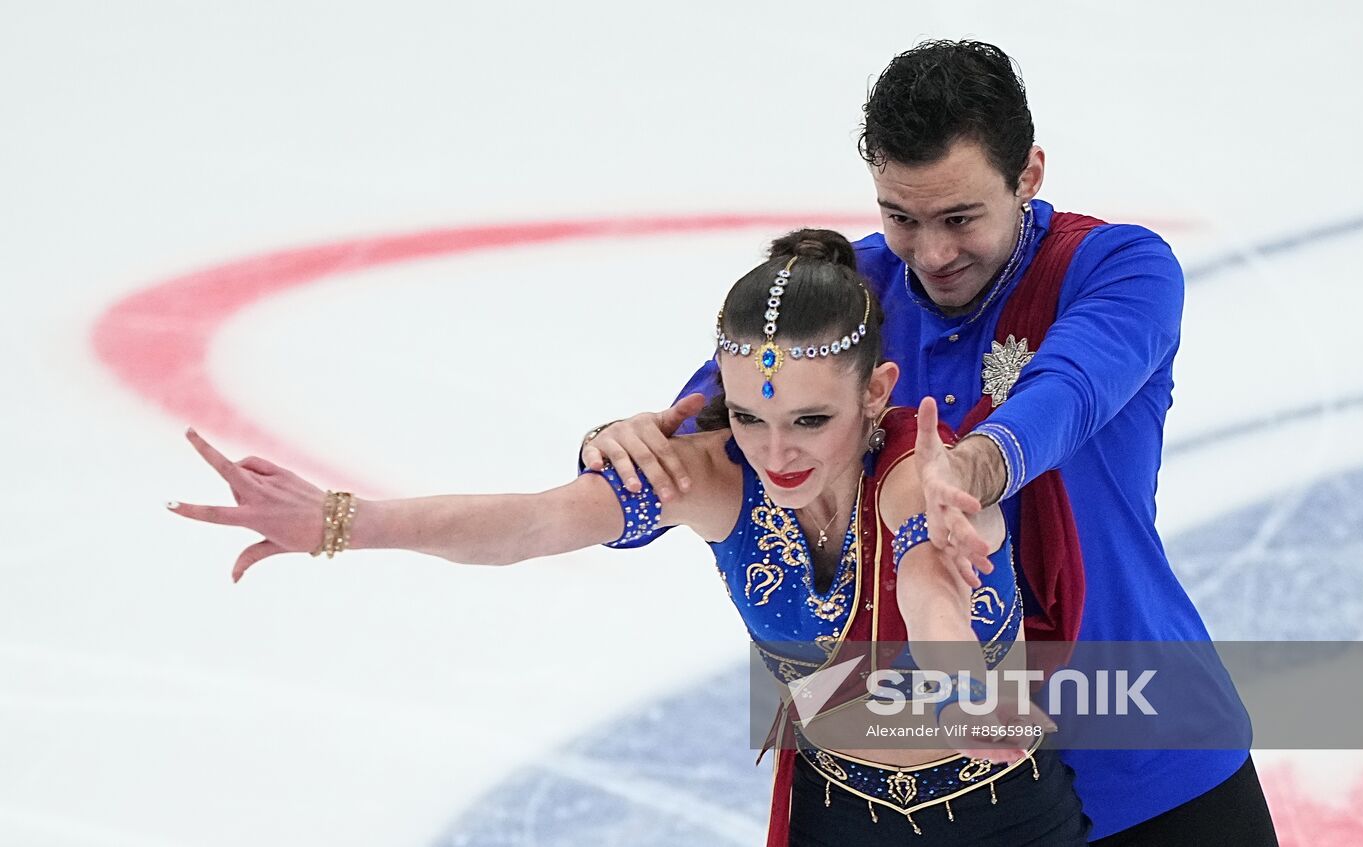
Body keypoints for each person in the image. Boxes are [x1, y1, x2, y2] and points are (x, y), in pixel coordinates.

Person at [170, 230, 1090, 846]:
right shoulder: (712, 479)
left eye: (811, 421)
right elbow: (536, 520)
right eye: (749, 416)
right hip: (836, 815)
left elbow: (932, 586)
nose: (777, 452)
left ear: (878, 391)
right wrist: (346, 522)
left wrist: (969, 690)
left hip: (1004, 819)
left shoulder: (916, 483)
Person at [578, 41, 1279, 845]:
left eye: (960, 218)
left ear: (1029, 174)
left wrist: (974, 466)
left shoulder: (1117, 268)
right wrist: (626, 442)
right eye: (901, 218)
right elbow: (724, 411)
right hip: (923, 791)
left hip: (1146, 749)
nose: (933, 252)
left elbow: (1070, 390)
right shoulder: (851, 296)